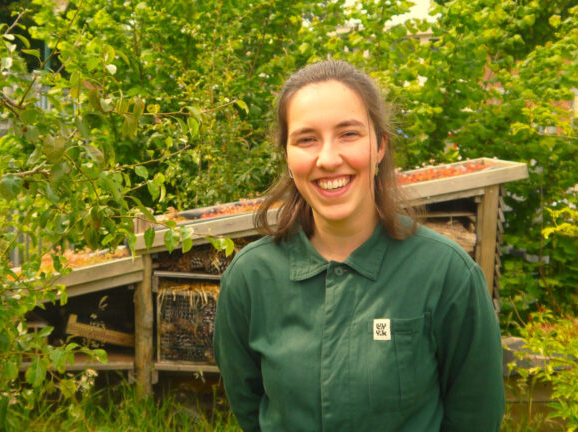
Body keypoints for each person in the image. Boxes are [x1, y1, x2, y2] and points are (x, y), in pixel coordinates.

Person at [213, 60, 505, 431]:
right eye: (306, 139)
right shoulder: (251, 279)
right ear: (287, 155)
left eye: (348, 134)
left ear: (380, 146)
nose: (329, 159)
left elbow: (475, 417)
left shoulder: (447, 274)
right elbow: (249, 407)